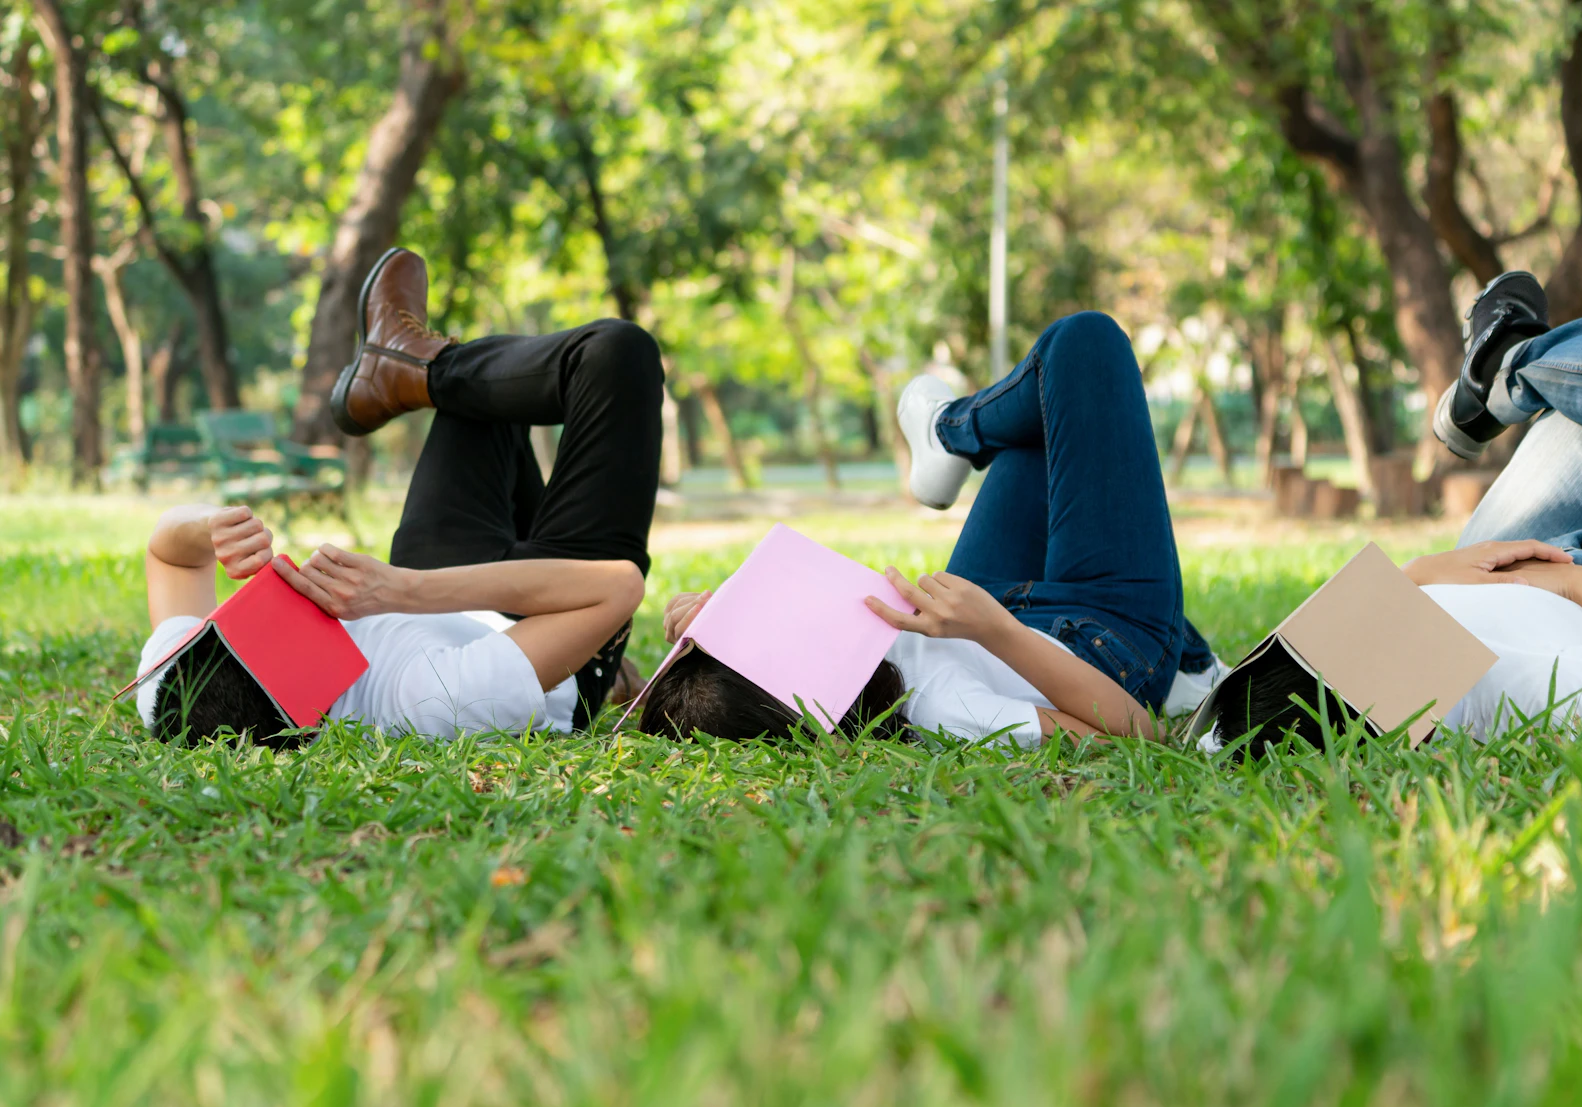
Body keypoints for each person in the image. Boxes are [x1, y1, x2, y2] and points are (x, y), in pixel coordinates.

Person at [1219, 274, 1582, 750]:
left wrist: (1422, 572)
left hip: (1489, 559)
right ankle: (1510, 364)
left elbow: (1277, 664)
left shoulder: (1257, 702)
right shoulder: (1507, 687)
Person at [136, 247, 660, 744]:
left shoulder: (174, 684)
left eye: (240, 617)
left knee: (491, 390)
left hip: (431, 583)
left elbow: (169, 556)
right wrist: (400, 591)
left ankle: (407, 369)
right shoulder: (431, 700)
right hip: (547, 620)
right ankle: (419, 369)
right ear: (311, 687)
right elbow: (616, 588)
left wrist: (209, 527)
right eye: (277, 624)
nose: (274, 590)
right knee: (615, 355)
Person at [642, 311, 1231, 745]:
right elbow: (1138, 734)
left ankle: (1194, 662)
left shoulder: (836, 644)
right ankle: (951, 430)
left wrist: (713, 611)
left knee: (1039, 425)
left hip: (973, 608)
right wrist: (996, 632)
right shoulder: (944, 710)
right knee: (1084, 346)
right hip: (1101, 646)